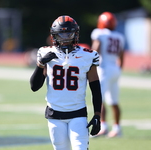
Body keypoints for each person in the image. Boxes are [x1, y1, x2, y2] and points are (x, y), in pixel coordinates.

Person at [30, 15, 102, 150]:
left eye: (69, 34)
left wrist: (97, 114)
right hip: (54, 115)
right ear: (54, 36)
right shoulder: (46, 53)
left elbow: (95, 87)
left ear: (76, 34)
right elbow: (34, 87)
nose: (65, 38)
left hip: (78, 113)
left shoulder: (88, 55)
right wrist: (40, 64)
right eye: (61, 34)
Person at [90, 12, 125, 138]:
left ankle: (102, 126)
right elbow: (121, 55)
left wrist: (89, 62)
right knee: (114, 101)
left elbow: (95, 50)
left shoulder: (99, 34)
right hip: (115, 68)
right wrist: (119, 69)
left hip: (104, 68)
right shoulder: (119, 36)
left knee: (100, 99)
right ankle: (117, 128)